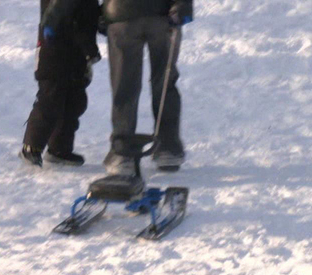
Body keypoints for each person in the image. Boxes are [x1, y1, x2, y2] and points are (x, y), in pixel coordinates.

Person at [100, 0, 192, 175]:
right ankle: (168, 147)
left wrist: (100, 13)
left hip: (121, 14)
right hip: (163, 15)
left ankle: (122, 151)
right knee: (165, 81)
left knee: (124, 83)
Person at [20, 0, 101, 168]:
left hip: (77, 52)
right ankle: (32, 146)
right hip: (54, 46)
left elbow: (85, 16)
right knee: (51, 97)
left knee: (75, 100)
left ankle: (59, 149)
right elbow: (62, 12)